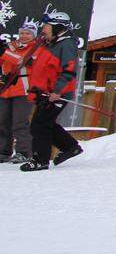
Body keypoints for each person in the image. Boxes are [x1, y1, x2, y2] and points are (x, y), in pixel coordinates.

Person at [22, 11, 83, 172]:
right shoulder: (50, 43)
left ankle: (40, 160)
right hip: (44, 92)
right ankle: (70, 147)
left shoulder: (67, 44)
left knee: (39, 125)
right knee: (44, 123)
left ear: (57, 27)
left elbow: (69, 70)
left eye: (47, 27)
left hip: (57, 93)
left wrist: (57, 91)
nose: (44, 29)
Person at [0, 22, 40, 164]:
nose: (24, 36)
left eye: (28, 33)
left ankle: (24, 152)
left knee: (19, 122)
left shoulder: (37, 48)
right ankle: (3, 151)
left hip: (24, 88)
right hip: (6, 88)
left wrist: (5, 53)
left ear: (33, 35)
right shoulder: (11, 46)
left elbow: (23, 62)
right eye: (22, 32)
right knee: (3, 121)